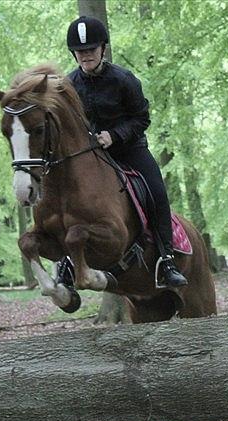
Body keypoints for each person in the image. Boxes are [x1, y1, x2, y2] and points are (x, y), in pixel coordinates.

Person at [65, 16, 187, 288]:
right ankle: (66, 263)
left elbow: (141, 118)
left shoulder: (124, 79)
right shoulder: (68, 85)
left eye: (91, 50)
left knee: (156, 192)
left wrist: (114, 135)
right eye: (80, 52)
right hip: (92, 157)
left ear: (103, 49)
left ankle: (166, 261)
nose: (85, 56)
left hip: (129, 150)